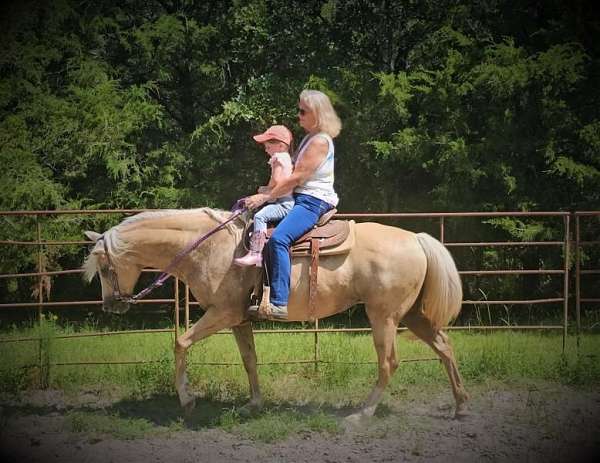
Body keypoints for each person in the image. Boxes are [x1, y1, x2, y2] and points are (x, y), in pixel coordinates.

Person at [244, 89, 341, 320]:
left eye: (302, 111)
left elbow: (297, 178)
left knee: (279, 239)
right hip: (302, 198)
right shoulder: (310, 138)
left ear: (316, 114)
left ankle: (278, 302)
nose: (298, 115)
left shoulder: (319, 142)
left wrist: (265, 198)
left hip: (312, 202)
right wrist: (268, 189)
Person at [234, 125, 295, 267]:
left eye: (268, 146)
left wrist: (264, 191)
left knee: (260, 216)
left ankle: (256, 253)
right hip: (284, 201)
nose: (265, 149)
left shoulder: (278, 158)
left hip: (284, 203)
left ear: (280, 146)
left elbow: (278, 181)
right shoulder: (286, 158)